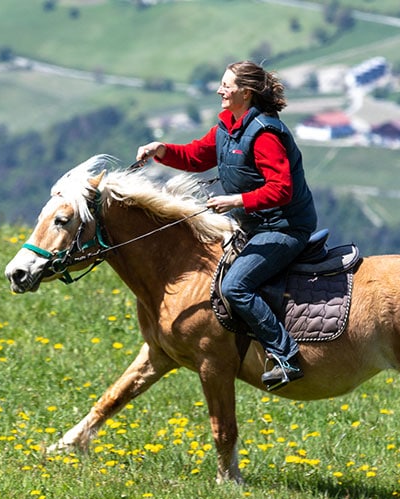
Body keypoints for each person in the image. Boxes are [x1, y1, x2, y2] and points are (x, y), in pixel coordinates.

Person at [136, 60, 317, 392]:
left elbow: (282, 189)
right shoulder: (227, 126)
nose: (220, 90)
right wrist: (161, 150)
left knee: (235, 287)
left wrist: (235, 201)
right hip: (255, 226)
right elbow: (196, 157)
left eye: (226, 86)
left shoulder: (264, 133)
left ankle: (285, 356)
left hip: (284, 228)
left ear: (245, 93)